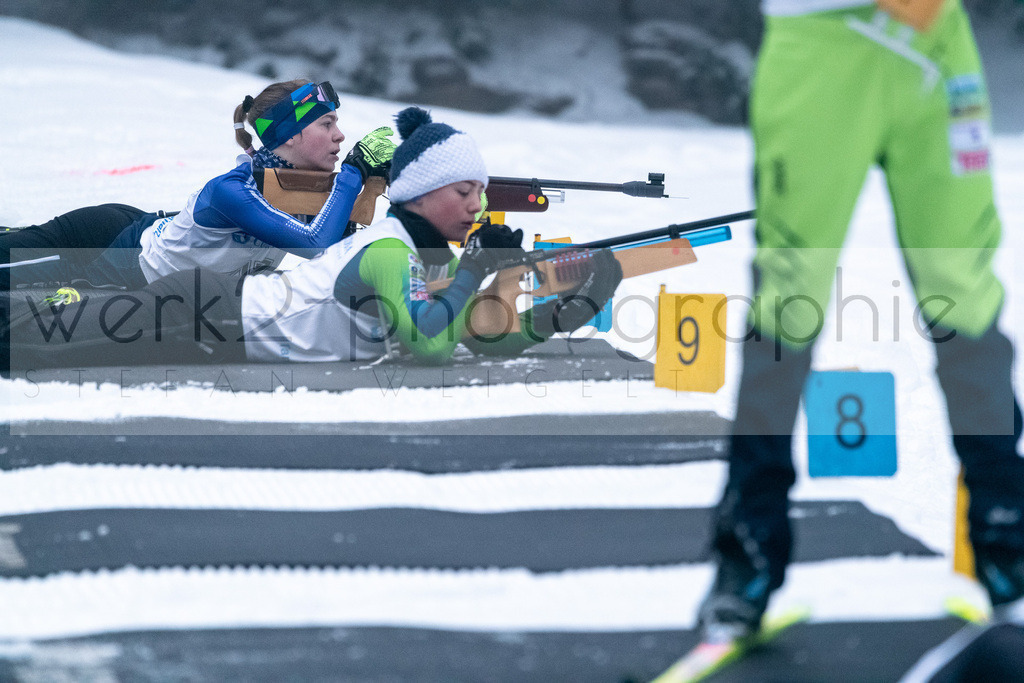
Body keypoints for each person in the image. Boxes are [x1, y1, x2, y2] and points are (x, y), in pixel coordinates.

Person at [697, 0, 1024, 641]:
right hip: (822, 43)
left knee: (964, 293)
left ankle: (1008, 545)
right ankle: (747, 560)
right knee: (791, 296)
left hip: (934, 43)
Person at [2, 107, 622, 370]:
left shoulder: (414, 259)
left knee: (50, 332)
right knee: (42, 339)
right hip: (207, 316)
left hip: (216, 326)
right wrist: (474, 270)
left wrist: (569, 311)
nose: (476, 205)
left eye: (479, 193)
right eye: (462, 192)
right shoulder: (388, 252)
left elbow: (473, 339)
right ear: (420, 196)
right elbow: (429, 347)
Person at [1, 78, 396, 291]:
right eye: (326, 124)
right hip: (104, 245)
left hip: (146, 226)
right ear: (289, 136)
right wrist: (353, 175)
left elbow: (332, 249)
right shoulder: (232, 188)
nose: (340, 136)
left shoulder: (307, 187)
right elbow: (313, 244)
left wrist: (379, 185)